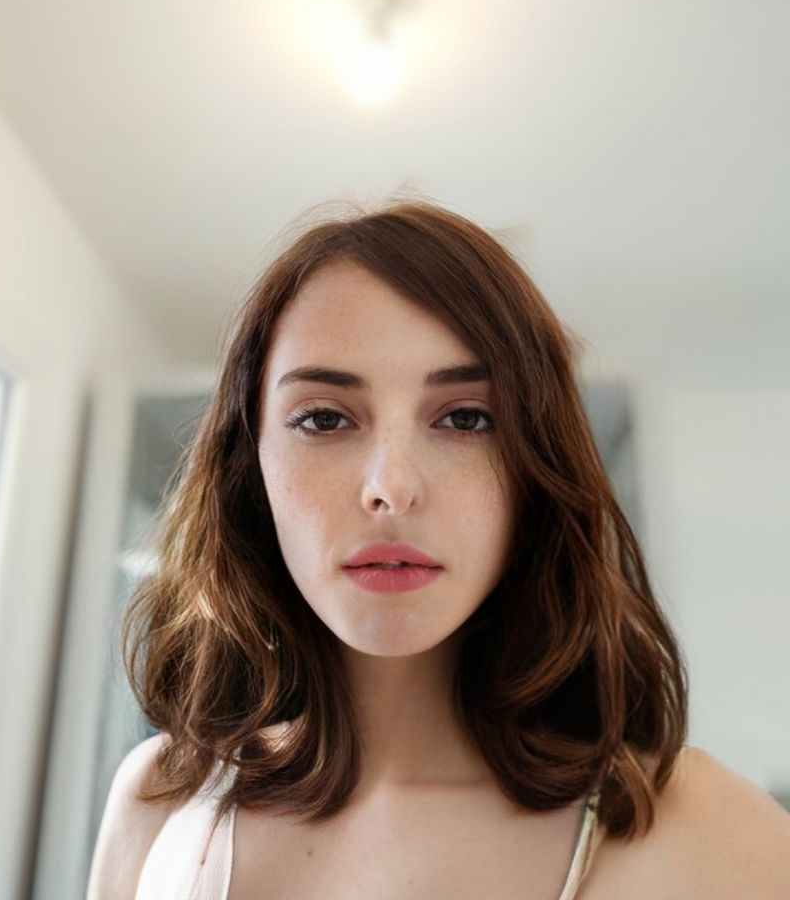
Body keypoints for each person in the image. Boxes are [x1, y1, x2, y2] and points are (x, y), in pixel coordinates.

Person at [86, 199, 790, 900]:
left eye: (466, 418)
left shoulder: (702, 832)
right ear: (251, 467)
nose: (391, 488)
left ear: (535, 469)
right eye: (324, 419)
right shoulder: (159, 802)